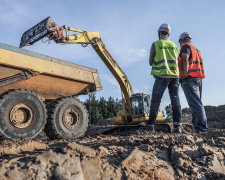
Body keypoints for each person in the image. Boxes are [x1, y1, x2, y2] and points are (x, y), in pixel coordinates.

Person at [148, 23, 182, 133]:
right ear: (168, 34)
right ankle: (177, 126)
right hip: (174, 75)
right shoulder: (175, 46)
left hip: (162, 75)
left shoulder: (156, 44)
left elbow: (150, 62)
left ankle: (150, 125)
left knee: (155, 100)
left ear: (159, 33)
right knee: (175, 100)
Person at [178, 32, 208, 132]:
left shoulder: (185, 47)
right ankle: (197, 127)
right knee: (195, 104)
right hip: (198, 78)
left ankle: (202, 128)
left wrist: (185, 75)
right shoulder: (196, 50)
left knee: (196, 104)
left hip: (189, 78)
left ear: (180, 41)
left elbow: (185, 58)